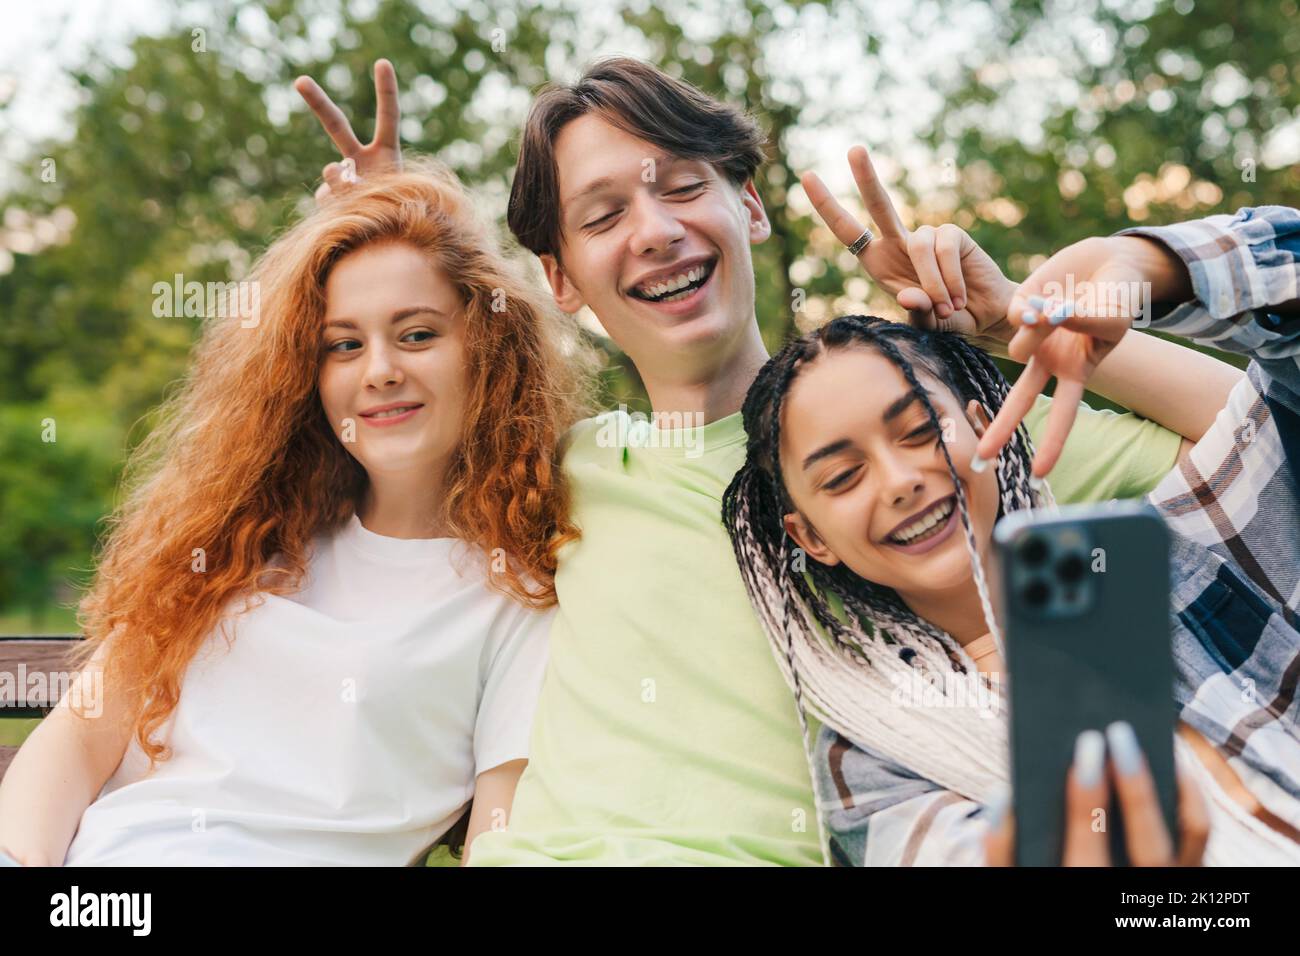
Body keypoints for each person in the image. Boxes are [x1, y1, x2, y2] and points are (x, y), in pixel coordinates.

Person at [296, 58, 1232, 865]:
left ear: (748, 204)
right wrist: (403, 237)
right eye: (604, 214)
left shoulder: (927, 443)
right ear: (562, 279)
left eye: (679, 186)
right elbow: (378, 433)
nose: (654, 229)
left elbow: (1249, 439)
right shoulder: (562, 470)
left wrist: (1014, 316)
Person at [0, 160, 594, 866]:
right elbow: (75, 743)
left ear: (486, 353)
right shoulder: (233, 539)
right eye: (344, 345)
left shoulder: (516, 599)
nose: (378, 371)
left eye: (417, 335)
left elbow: (501, 837)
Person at [722, 205, 1300, 865]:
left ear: (982, 427)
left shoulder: (1175, 552)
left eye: (918, 431)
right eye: (843, 477)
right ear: (810, 537)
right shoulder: (874, 753)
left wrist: (1151, 269)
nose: (898, 481)